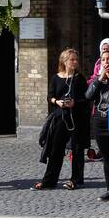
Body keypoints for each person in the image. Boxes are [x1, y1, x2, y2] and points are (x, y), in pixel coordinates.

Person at [36, 48, 88, 191]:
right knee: (55, 149)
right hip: (60, 117)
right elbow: (50, 96)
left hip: (76, 118)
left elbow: (86, 99)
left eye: (76, 59)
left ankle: (75, 180)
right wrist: (56, 101)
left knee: (77, 150)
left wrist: (74, 103)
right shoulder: (56, 78)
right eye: (72, 59)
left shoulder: (79, 79)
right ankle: (49, 180)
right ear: (64, 61)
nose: (75, 62)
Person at [86, 46, 109, 202]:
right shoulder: (98, 79)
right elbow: (88, 95)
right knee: (106, 157)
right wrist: (99, 78)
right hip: (100, 118)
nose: (106, 62)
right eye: (103, 60)